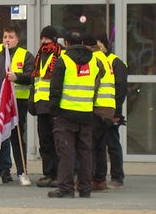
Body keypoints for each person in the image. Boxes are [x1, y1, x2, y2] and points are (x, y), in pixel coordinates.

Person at [47, 31, 103, 198]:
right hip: (86, 113)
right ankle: (85, 188)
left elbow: (55, 88)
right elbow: (97, 82)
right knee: (86, 153)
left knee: (66, 153)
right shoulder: (94, 60)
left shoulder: (63, 60)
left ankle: (66, 188)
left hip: (66, 114)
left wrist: (54, 111)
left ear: (66, 43)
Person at [0, 25, 34, 187]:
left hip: (16, 105)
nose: (7, 40)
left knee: (16, 139)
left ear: (17, 39)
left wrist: (17, 77)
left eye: (10, 37)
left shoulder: (26, 56)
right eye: (5, 37)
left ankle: (22, 172)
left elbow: (32, 76)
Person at [28, 26, 63, 188]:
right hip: (42, 105)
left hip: (56, 106)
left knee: (58, 142)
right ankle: (48, 173)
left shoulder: (61, 55)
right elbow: (35, 81)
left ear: (54, 40)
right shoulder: (40, 56)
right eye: (42, 38)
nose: (43, 41)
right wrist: (32, 102)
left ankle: (59, 174)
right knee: (45, 142)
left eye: (46, 38)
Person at [82, 33, 116, 192]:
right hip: (108, 107)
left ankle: (87, 181)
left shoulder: (93, 59)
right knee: (100, 146)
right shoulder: (104, 57)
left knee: (89, 146)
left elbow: (93, 84)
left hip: (98, 108)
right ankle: (100, 180)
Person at [97, 33, 128, 189]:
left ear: (104, 45)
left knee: (113, 143)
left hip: (111, 111)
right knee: (100, 144)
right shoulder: (95, 60)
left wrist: (116, 112)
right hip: (99, 111)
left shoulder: (116, 63)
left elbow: (121, 89)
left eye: (98, 45)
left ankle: (117, 176)